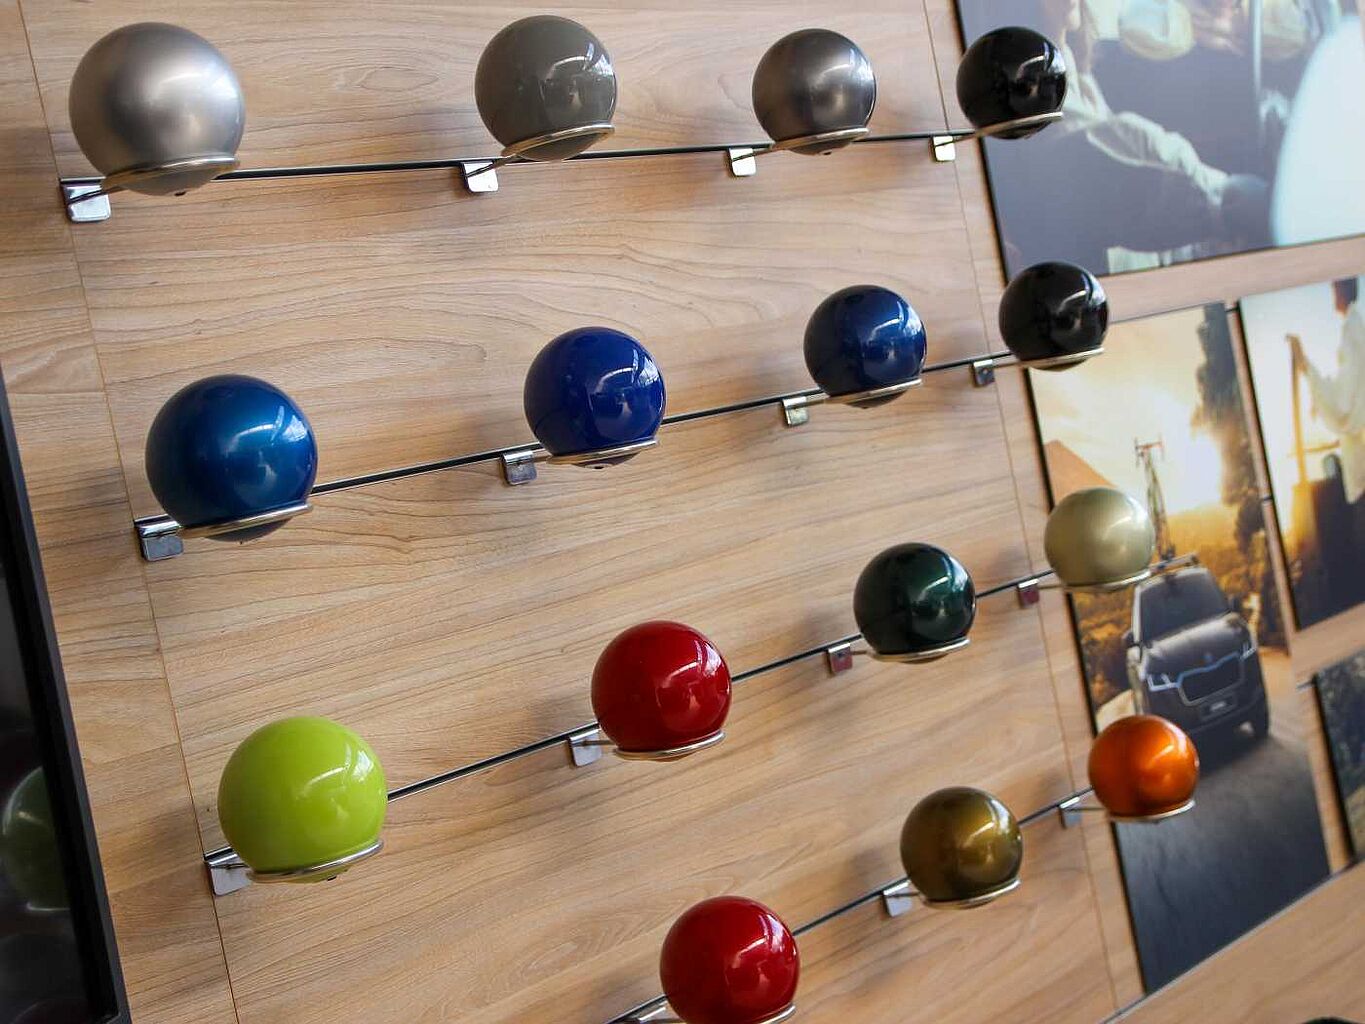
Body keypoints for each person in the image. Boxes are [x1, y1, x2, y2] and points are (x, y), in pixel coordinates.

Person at [993, 0, 1273, 272]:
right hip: (1124, 265)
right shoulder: (1034, 96)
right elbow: (1130, 156)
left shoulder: (1072, 63)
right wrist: (1230, 199)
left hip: (1160, 250)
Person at [1291, 277, 1365, 509]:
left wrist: (1306, 366)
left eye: (1334, 288)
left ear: (1343, 290)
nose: (1332, 293)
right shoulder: (1354, 327)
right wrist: (1319, 397)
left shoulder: (1353, 330)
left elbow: (1344, 405)